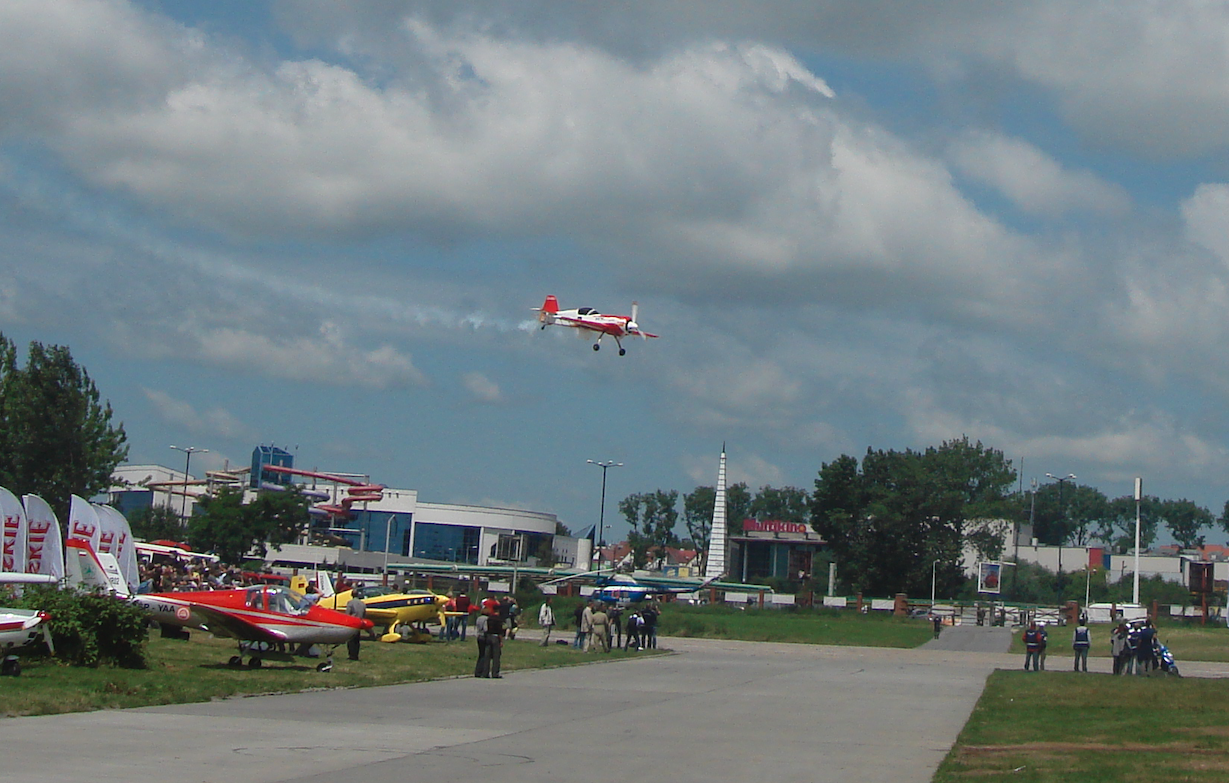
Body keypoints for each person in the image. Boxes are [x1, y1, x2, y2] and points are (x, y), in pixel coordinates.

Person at [345, 592, 366, 661]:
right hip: (359, 622)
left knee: (350, 640)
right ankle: (356, 655)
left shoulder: (350, 603)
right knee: (357, 641)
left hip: (352, 622)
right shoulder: (363, 604)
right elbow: (364, 614)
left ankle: (351, 655)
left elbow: (347, 614)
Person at [486, 607, 505, 678]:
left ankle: (485, 672)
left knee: (487, 655)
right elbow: (500, 631)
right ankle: (495, 673)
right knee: (496, 656)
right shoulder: (498, 619)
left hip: (488, 636)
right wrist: (501, 641)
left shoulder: (489, 618)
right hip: (495, 637)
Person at [474, 610, 490, 677]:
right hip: (484, 636)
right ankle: (482, 671)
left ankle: (477, 671)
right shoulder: (486, 619)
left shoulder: (479, 618)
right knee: (484, 654)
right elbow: (485, 629)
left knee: (480, 654)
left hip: (479, 636)